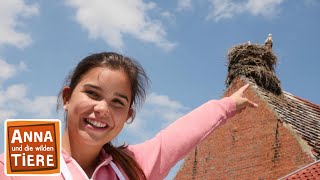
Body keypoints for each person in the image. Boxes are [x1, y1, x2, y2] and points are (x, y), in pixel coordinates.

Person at [0, 52, 258, 180]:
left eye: (117, 102)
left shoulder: (132, 166)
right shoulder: (25, 157)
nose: (102, 109)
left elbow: (179, 136)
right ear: (67, 98)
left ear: (128, 116)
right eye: (92, 93)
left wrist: (229, 105)